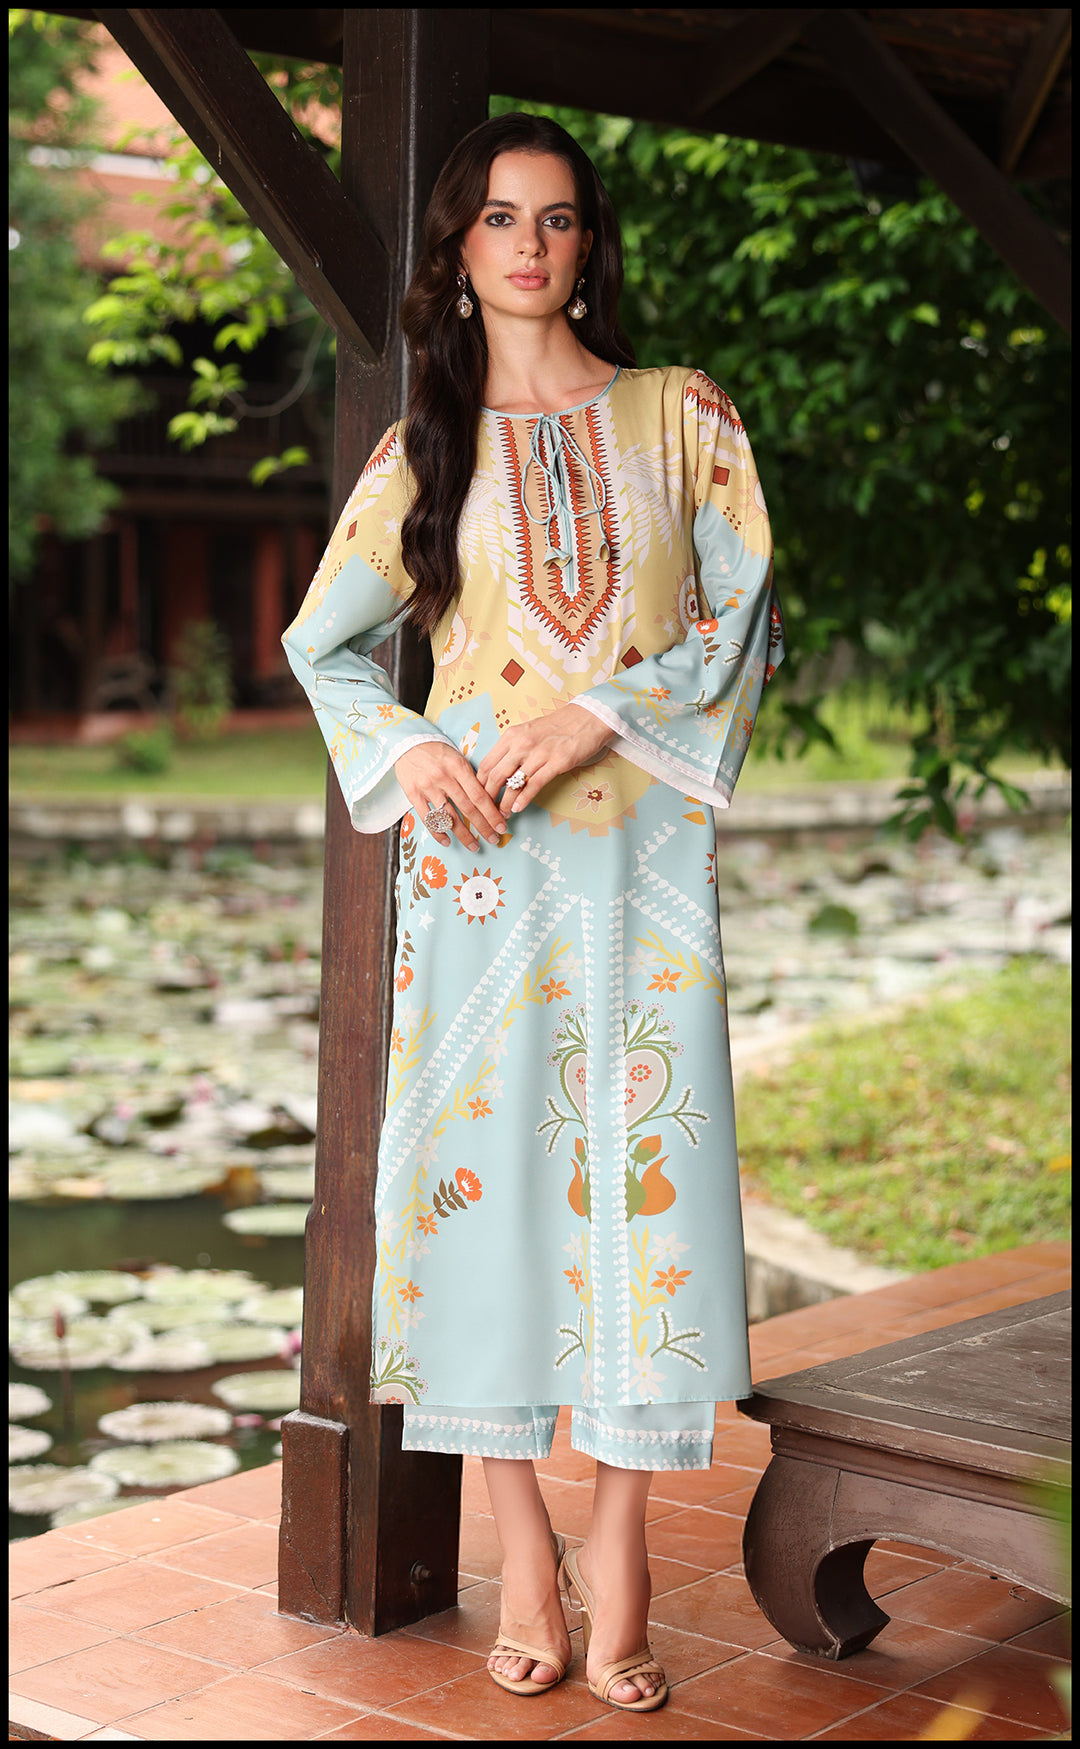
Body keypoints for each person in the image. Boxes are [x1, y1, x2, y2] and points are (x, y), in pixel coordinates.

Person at [282, 111, 784, 1714]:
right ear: (458, 247)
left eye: (557, 218)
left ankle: (621, 1552)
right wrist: (413, 747)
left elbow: (745, 610)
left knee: (644, 1192)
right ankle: (523, 1552)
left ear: (588, 245)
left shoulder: (682, 416)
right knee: (481, 1202)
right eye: (499, 218)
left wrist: (600, 712)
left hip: (642, 881)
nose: (528, 245)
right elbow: (322, 644)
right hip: (481, 880)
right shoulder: (422, 449)